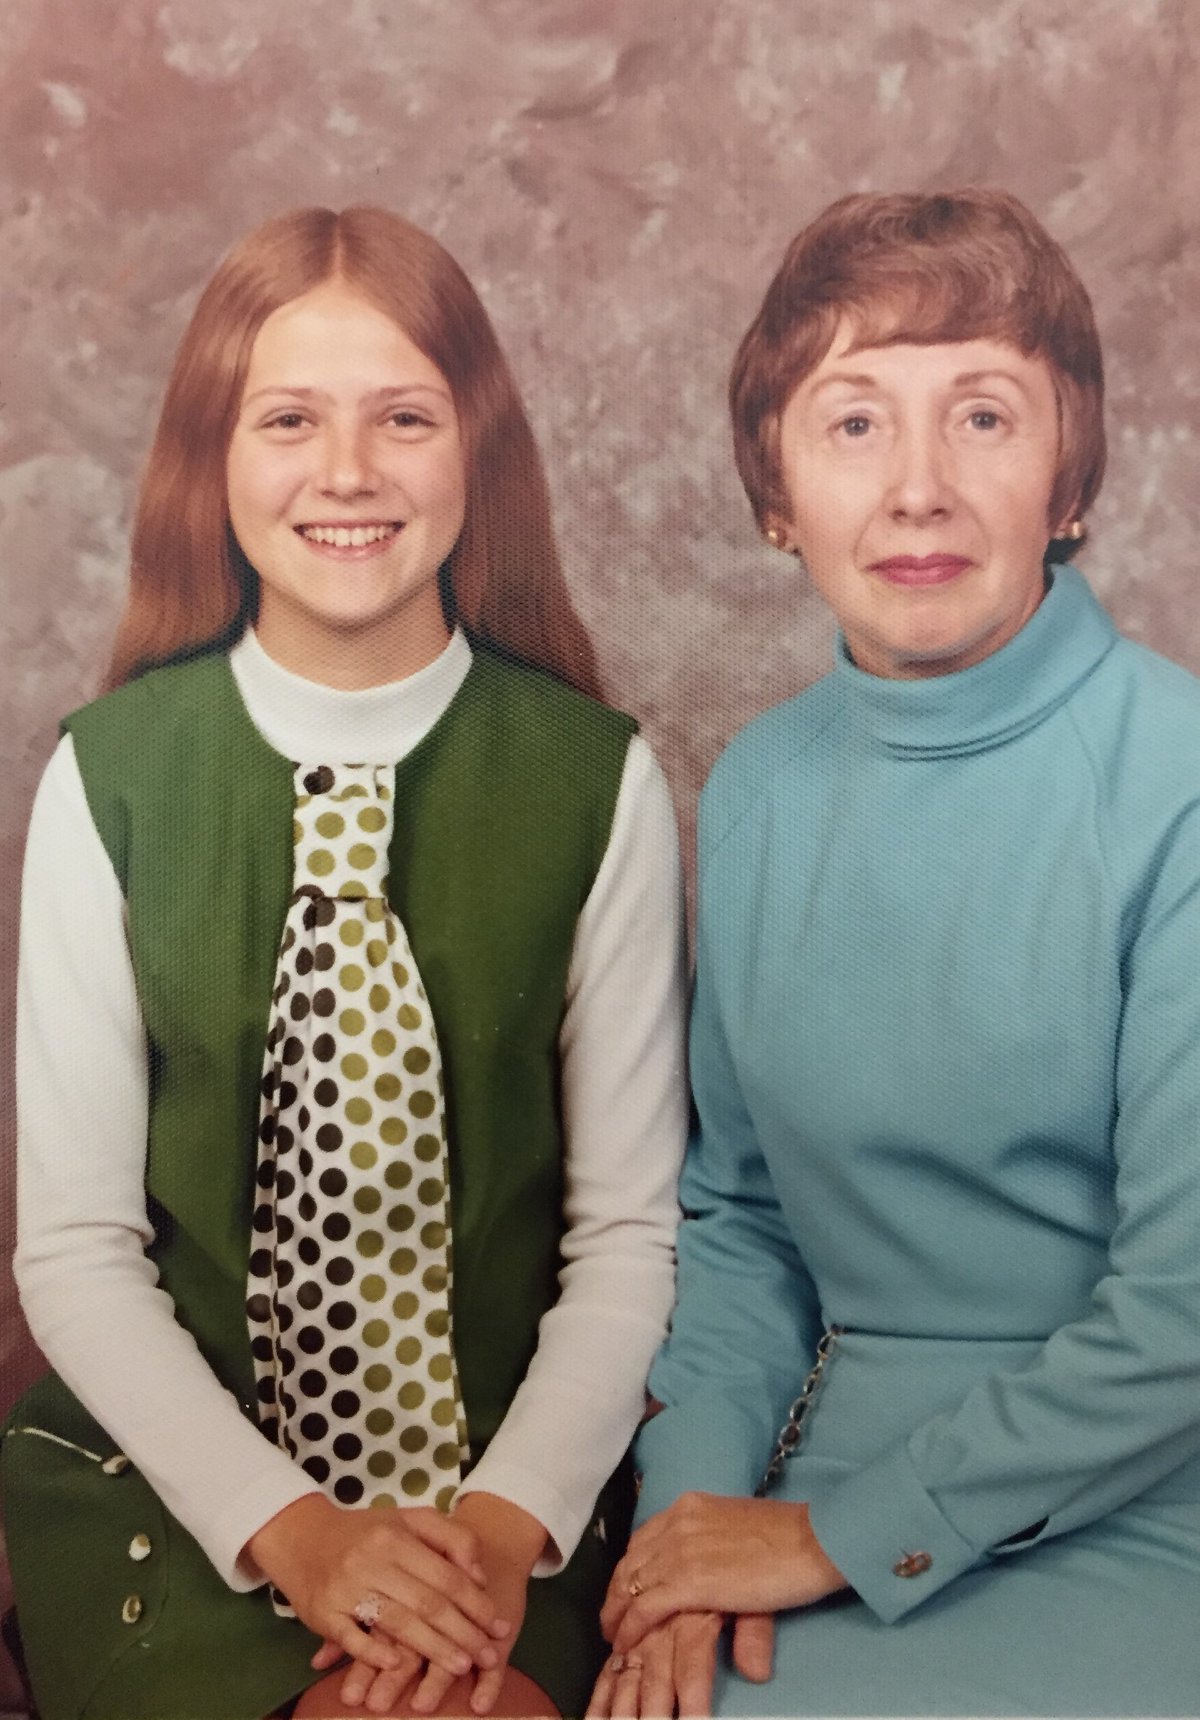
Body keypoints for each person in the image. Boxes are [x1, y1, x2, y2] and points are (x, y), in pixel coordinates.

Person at [3, 205, 687, 1720]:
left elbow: (629, 1238)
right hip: (191, 1495)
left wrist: (498, 1537)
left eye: (403, 418)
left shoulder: (598, 785)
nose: (348, 472)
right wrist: (302, 1538)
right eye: (289, 419)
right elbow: (74, 1252)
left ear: (476, 454)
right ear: (214, 461)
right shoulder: (109, 780)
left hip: (507, 1493)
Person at [588, 188, 1200, 1718]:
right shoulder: (758, 789)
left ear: (1070, 479)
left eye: (983, 417)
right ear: (777, 493)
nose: (918, 490)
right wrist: (688, 1518)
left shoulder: (1180, 777)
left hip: (1145, 1480)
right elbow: (737, 1219)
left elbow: (1187, 1305)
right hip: (820, 1447)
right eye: (855, 423)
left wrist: (839, 1539)